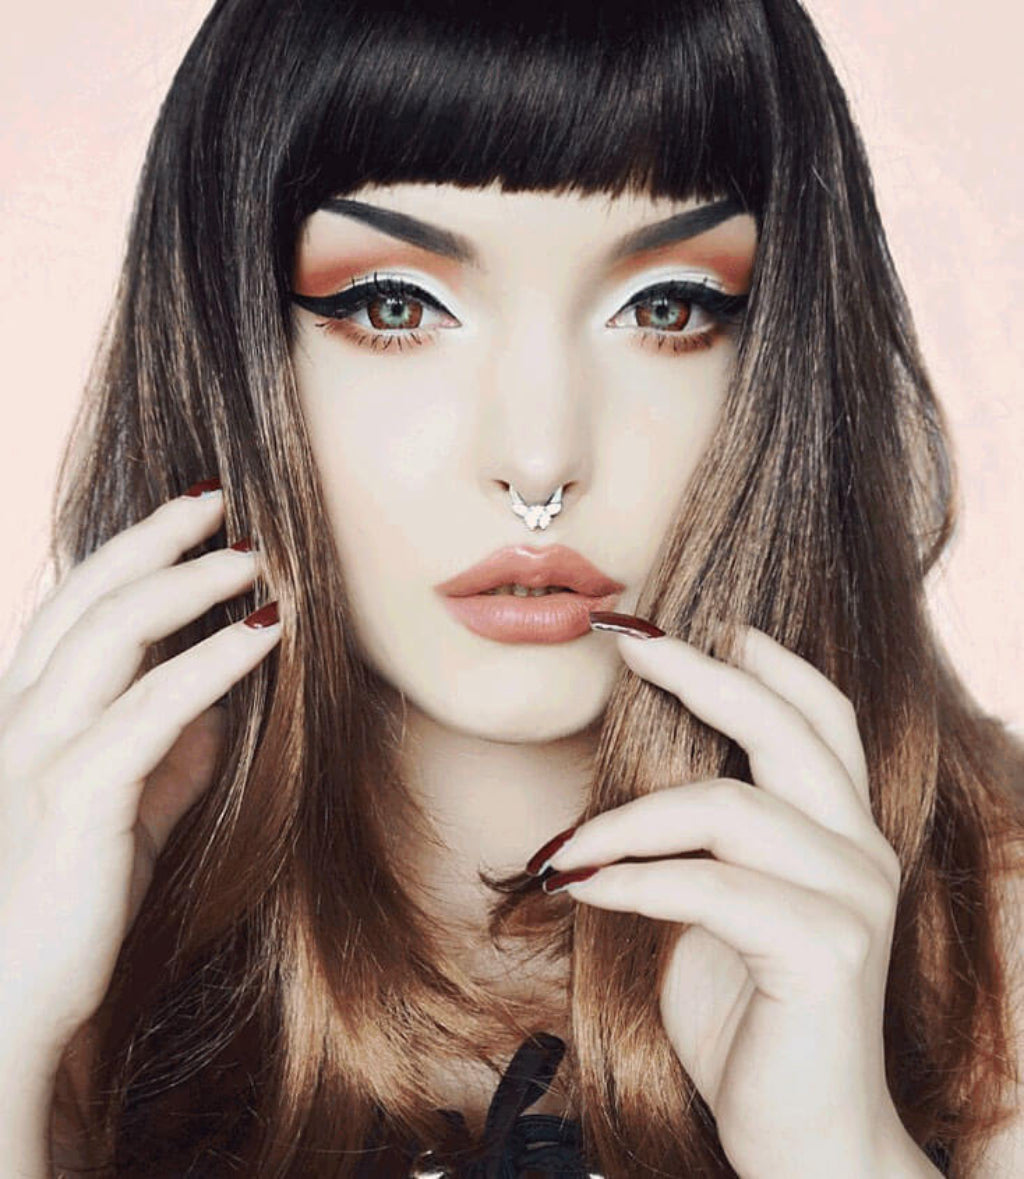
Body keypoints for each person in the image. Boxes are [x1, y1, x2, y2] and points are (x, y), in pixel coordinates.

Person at [1, 0, 1021, 1175]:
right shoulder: (55, 933)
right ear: (231, 348)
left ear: (783, 353)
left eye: (668, 307)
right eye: (393, 305)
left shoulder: (996, 940)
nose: (539, 464)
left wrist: (835, 1149)